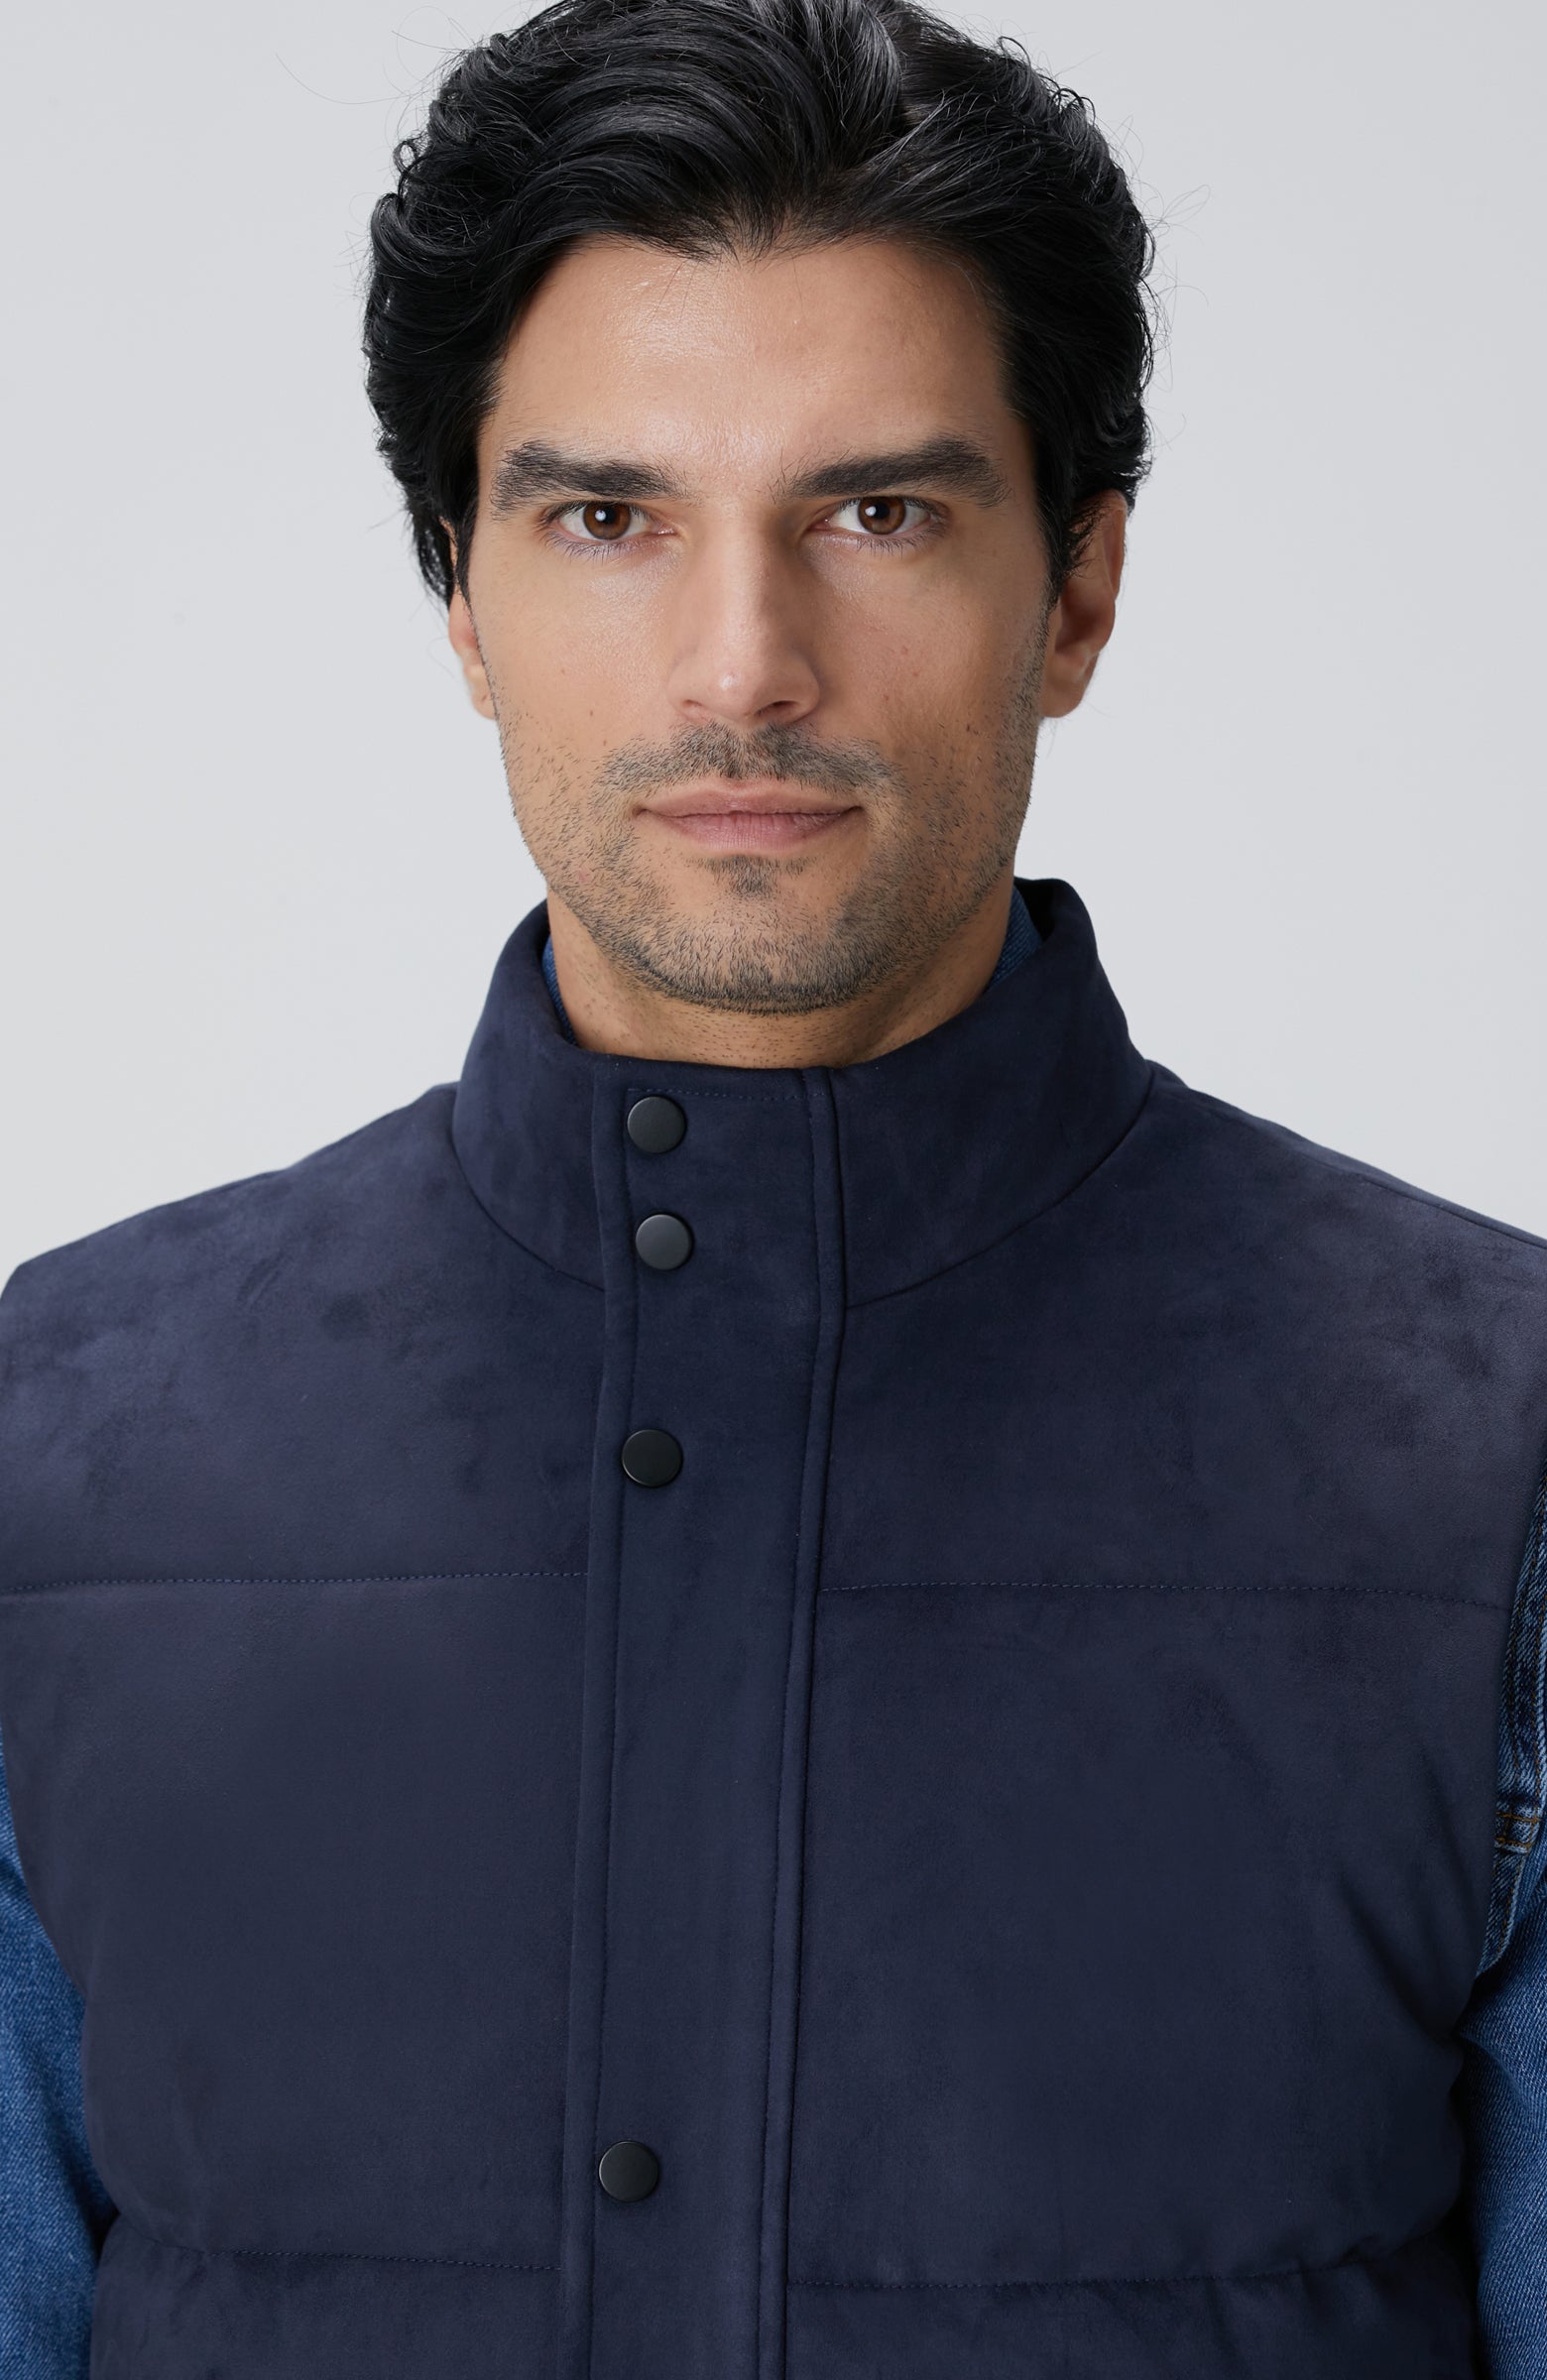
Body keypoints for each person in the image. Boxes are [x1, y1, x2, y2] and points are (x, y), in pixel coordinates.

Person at [2, 0, 1543, 2372]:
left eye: (879, 512)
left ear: (1078, 591)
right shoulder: (63, 1445)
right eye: (608, 518)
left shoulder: (1492, 1456)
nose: (744, 668)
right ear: (460, 589)